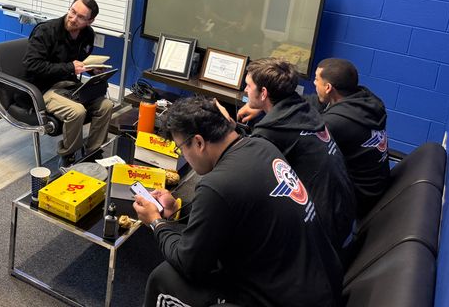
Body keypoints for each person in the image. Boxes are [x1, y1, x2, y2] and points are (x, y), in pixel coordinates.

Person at [132, 96, 342, 307]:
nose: (184, 156)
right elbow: (229, 209)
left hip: (284, 299)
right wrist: (176, 209)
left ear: (198, 142)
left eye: (181, 148)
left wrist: (156, 223)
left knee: (164, 278)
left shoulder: (217, 184)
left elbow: (190, 266)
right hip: (319, 280)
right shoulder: (261, 145)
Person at [236, 58, 356, 253]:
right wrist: (261, 107)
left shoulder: (271, 131)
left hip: (321, 237)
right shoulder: (305, 109)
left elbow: (242, 170)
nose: (246, 90)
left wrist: (227, 129)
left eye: (249, 86)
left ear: (264, 93)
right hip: (343, 216)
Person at [23, 0, 113, 168]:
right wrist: (69, 68)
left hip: (69, 86)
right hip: (43, 88)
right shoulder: (46, 31)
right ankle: (68, 154)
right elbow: (32, 66)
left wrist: (93, 69)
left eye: (80, 17)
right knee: (77, 111)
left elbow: (81, 61)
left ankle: (93, 152)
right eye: (72, 11)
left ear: (90, 21)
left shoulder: (87, 34)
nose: (73, 18)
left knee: (106, 105)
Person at [309, 58, 390, 217]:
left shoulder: (334, 123)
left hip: (357, 199)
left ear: (328, 87)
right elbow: (315, 102)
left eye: (316, 79)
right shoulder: (368, 100)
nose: (313, 82)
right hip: (376, 185)